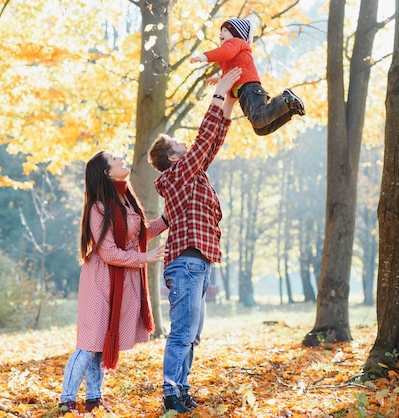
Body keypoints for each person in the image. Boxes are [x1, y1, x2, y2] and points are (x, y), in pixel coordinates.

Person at [148, 67, 243, 414]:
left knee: (192, 334)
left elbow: (212, 142)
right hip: (185, 262)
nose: (184, 144)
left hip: (198, 262)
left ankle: (181, 390)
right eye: (177, 144)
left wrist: (229, 103)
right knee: (182, 332)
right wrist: (218, 91)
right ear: (173, 157)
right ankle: (171, 394)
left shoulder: (191, 173)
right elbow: (204, 138)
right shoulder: (176, 175)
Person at [58, 151, 169, 414]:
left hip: (122, 279)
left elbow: (140, 234)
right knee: (88, 345)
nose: (121, 158)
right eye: (114, 159)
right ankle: (65, 401)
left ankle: (94, 399)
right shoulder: (99, 207)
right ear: (107, 172)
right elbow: (108, 252)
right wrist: (146, 257)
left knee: (99, 347)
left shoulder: (127, 200)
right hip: (99, 281)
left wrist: (166, 220)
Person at [190, 17, 305, 136]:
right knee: (260, 129)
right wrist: (219, 79)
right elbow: (231, 74)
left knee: (257, 118)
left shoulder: (236, 42)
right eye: (221, 31)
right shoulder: (234, 55)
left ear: (236, 34)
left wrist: (204, 57)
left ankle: (285, 99)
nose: (221, 33)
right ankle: (290, 108)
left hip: (249, 88)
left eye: (225, 30)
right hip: (246, 91)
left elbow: (226, 52)